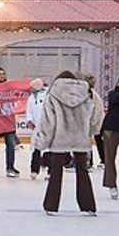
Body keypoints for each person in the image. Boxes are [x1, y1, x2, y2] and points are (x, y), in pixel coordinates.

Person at [38, 70, 105, 216]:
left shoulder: (53, 94)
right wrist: (91, 130)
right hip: (81, 138)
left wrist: (42, 142)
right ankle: (88, 206)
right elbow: (96, 116)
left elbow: (48, 121)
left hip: (59, 139)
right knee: (83, 171)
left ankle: (51, 205)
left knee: (56, 172)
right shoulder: (87, 94)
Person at [24, 78, 48, 180]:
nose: (31, 89)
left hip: (47, 126)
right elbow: (28, 110)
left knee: (48, 150)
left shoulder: (48, 95)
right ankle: (34, 170)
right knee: (36, 148)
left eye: (33, 87)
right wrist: (29, 120)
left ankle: (50, 170)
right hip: (36, 127)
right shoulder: (31, 98)